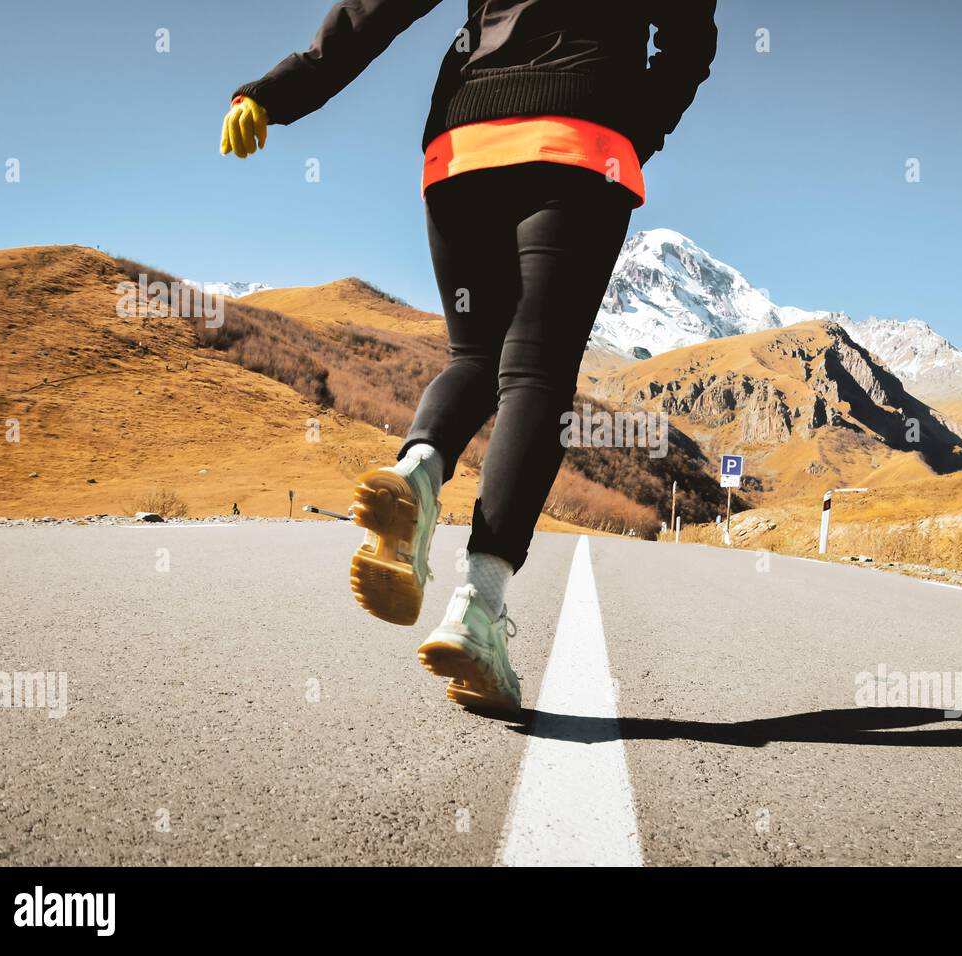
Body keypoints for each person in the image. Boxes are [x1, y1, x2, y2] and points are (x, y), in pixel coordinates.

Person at [222, 0, 717, 711]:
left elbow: (378, 9)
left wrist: (275, 92)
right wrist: (638, 126)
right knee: (536, 376)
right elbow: (690, 42)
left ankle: (419, 472)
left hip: (463, 145)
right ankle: (477, 610)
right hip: (581, 146)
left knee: (475, 358)